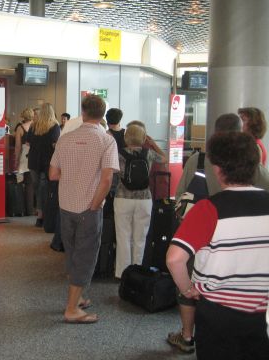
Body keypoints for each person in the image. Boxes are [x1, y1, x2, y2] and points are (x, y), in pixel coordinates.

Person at [168, 113, 269, 354]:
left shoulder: (209, 209)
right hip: (261, 310)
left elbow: (174, 259)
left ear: (218, 169)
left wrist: (188, 289)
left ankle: (186, 335)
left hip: (217, 311)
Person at [49, 94, 118, 324]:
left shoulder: (65, 139)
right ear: (102, 114)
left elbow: (53, 174)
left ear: (83, 112)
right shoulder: (106, 141)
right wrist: (95, 204)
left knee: (72, 253)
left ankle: (77, 299)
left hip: (66, 205)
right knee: (86, 256)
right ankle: (71, 309)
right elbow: (107, 179)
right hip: (89, 207)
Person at [114, 124, 167, 278]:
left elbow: (113, 171)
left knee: (123, 236)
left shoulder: (119, 154)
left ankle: (122, 273)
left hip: (123, 197)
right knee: (140, 237)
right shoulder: (148, 153)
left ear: (126, 138)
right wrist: (153, 143)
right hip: (144, 199)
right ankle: (137, 272)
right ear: (143, 138)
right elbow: (164, 158)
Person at [27, 103, 60, 227]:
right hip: (47, 163)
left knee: (38, 190)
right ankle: (47, 216)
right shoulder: (55, 127)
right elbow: (55, 145)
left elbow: (28, 143)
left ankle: (39, 216)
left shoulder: (34, 126)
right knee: (46, 190)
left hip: (33, 161)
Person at [14, 108, 35, 215]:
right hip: (35, 158)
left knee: (21, 184)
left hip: (24, 158)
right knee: (31, 185)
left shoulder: (20, 128)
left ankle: (21, 209)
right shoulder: (37, 127)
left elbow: (18, 147)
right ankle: (31, 210)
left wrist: (16, 160)